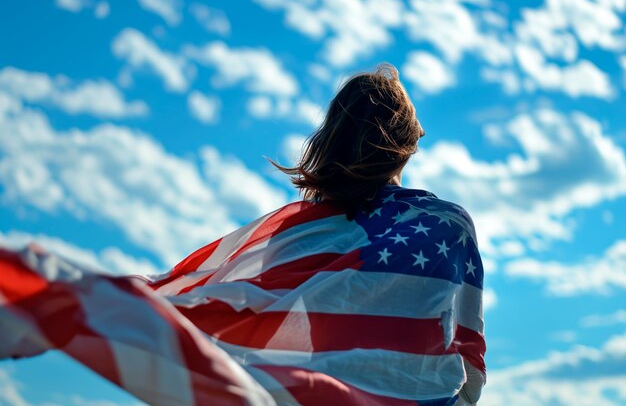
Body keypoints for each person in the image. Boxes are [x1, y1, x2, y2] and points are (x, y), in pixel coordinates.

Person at [0, 63, 485, 406]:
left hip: (290, 395)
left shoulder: (297, 232)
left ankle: (41, 296)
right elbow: (469, 359)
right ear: (408, 144)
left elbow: (246, 309)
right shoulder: (445, 225)